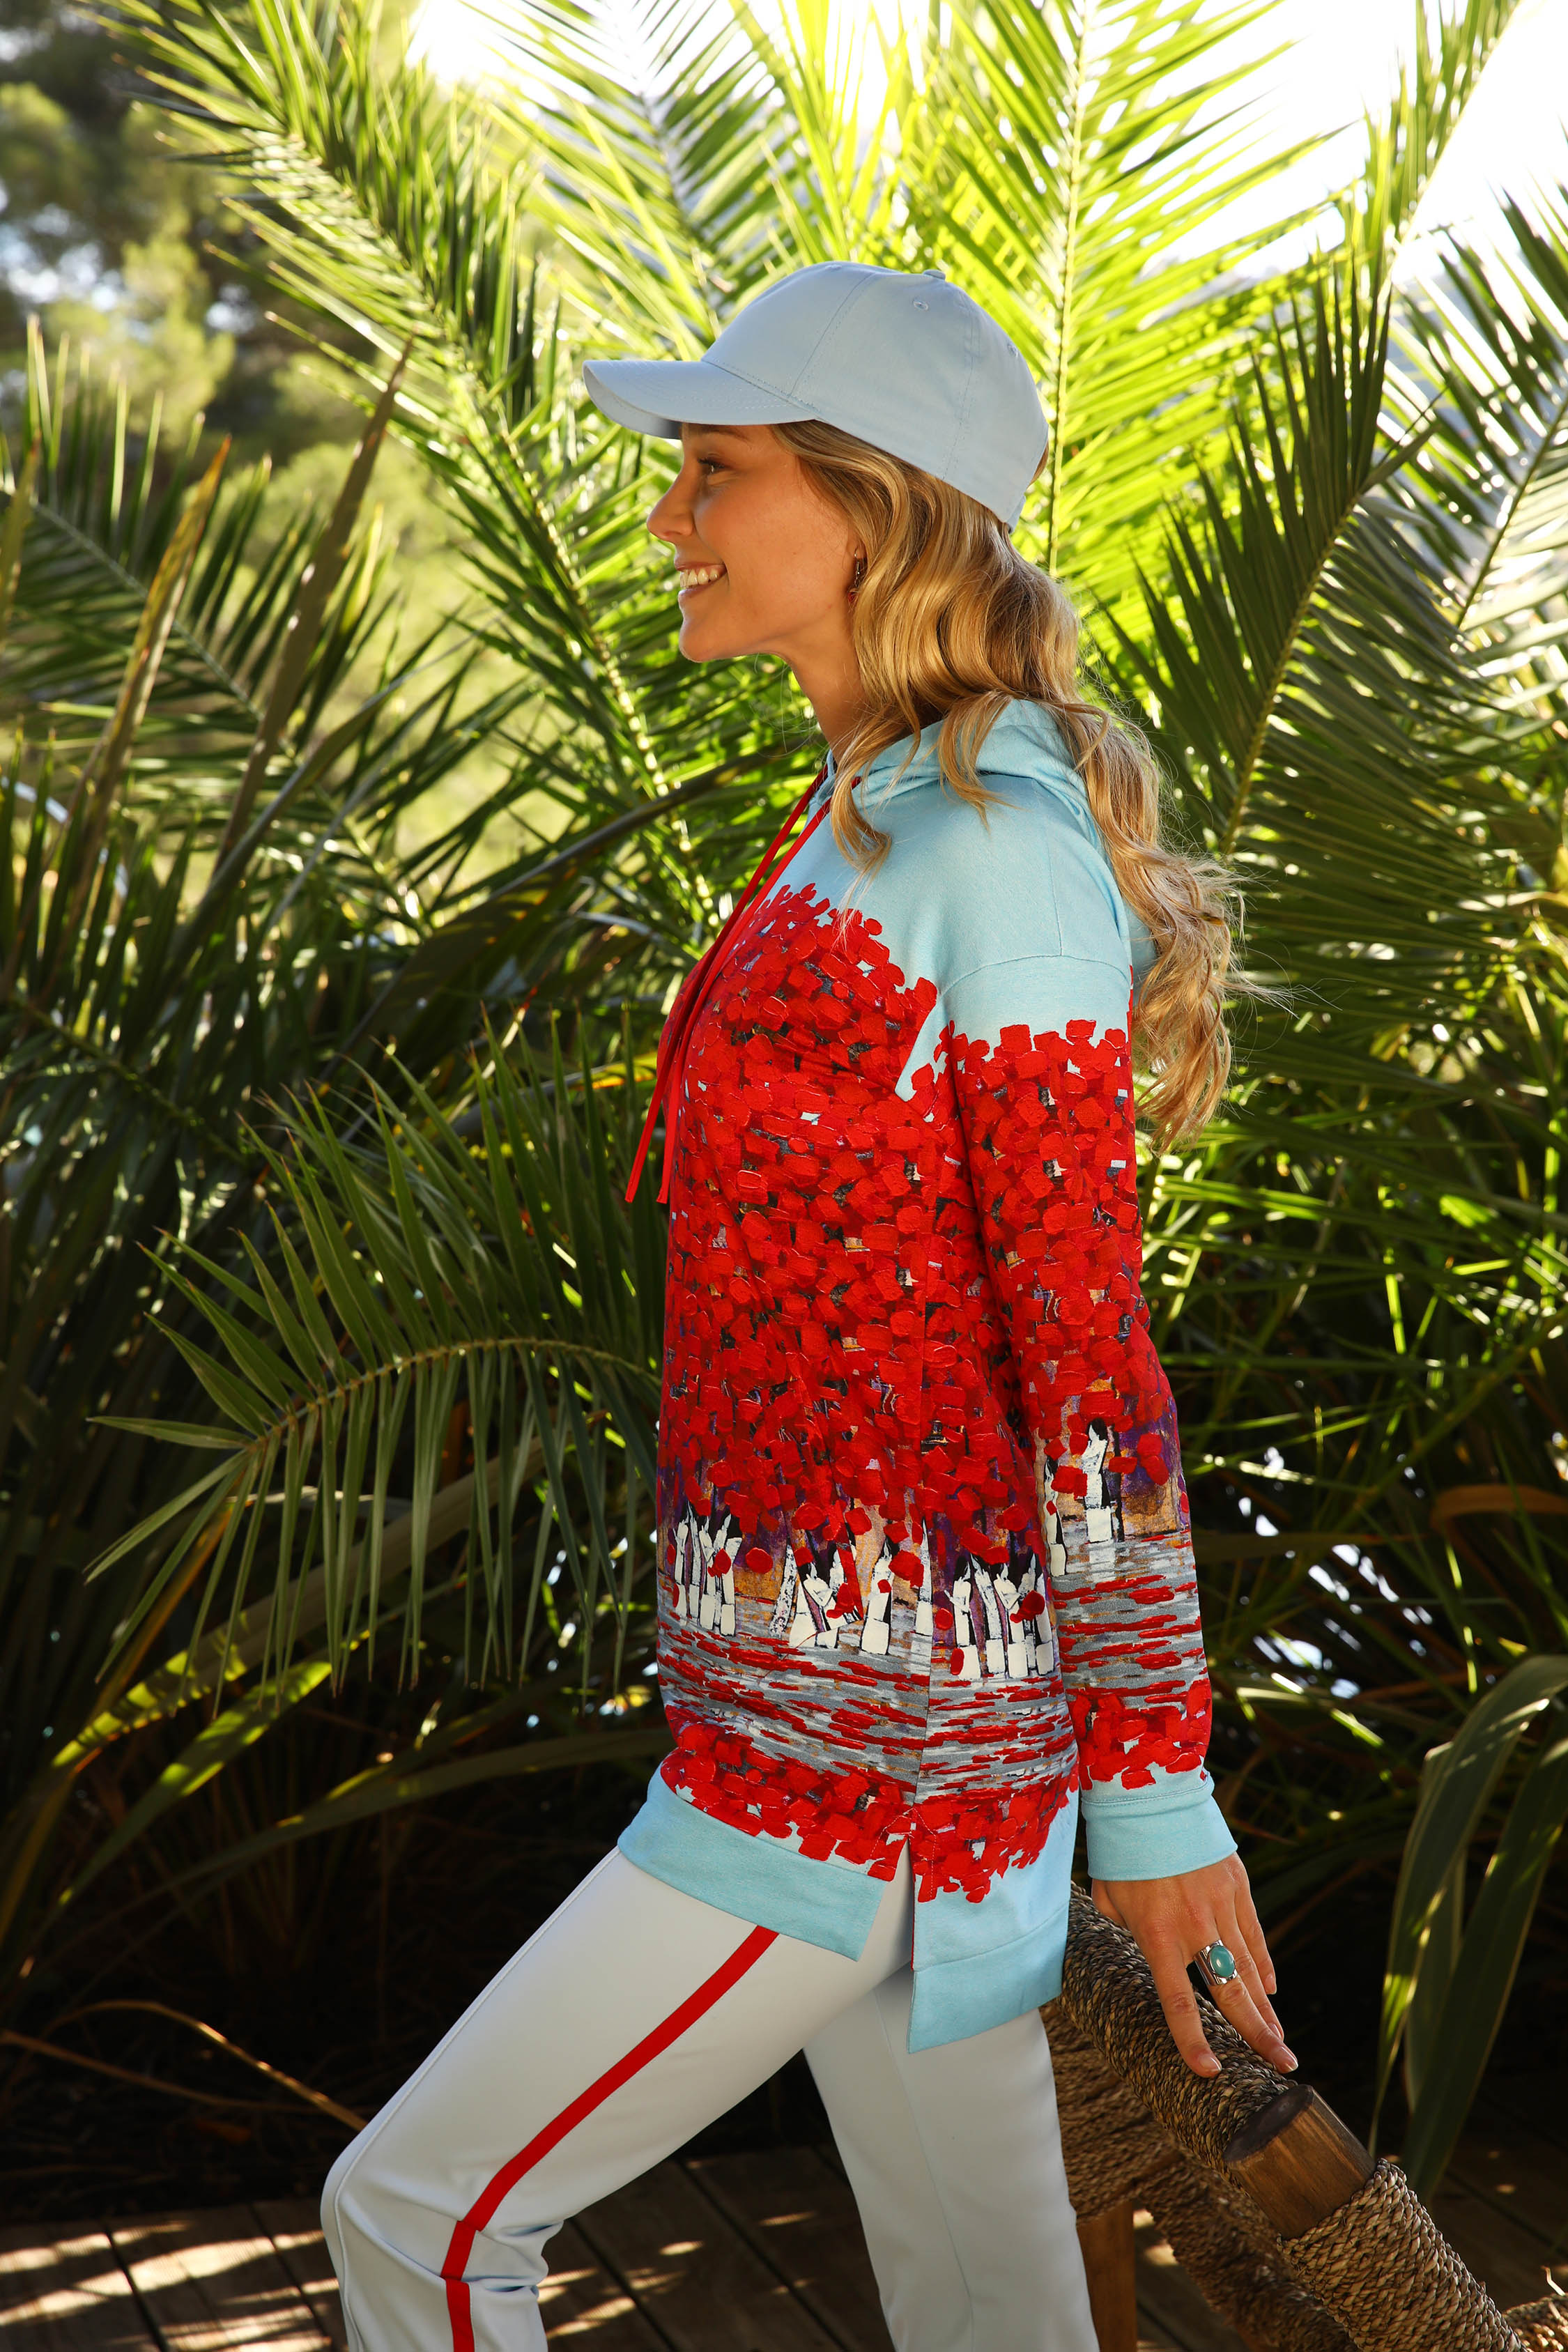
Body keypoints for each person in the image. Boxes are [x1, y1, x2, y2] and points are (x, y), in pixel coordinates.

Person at [321, 261, 1296, 2352]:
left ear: (872, 505)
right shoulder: (860, 816)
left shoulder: (989, 840)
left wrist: (1153, 1795)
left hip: (863, 1770)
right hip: (828, 1729)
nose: (668, 516)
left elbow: (1085, 1354)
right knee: (988, 2314)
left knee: (416, 2219)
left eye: (716, 471)